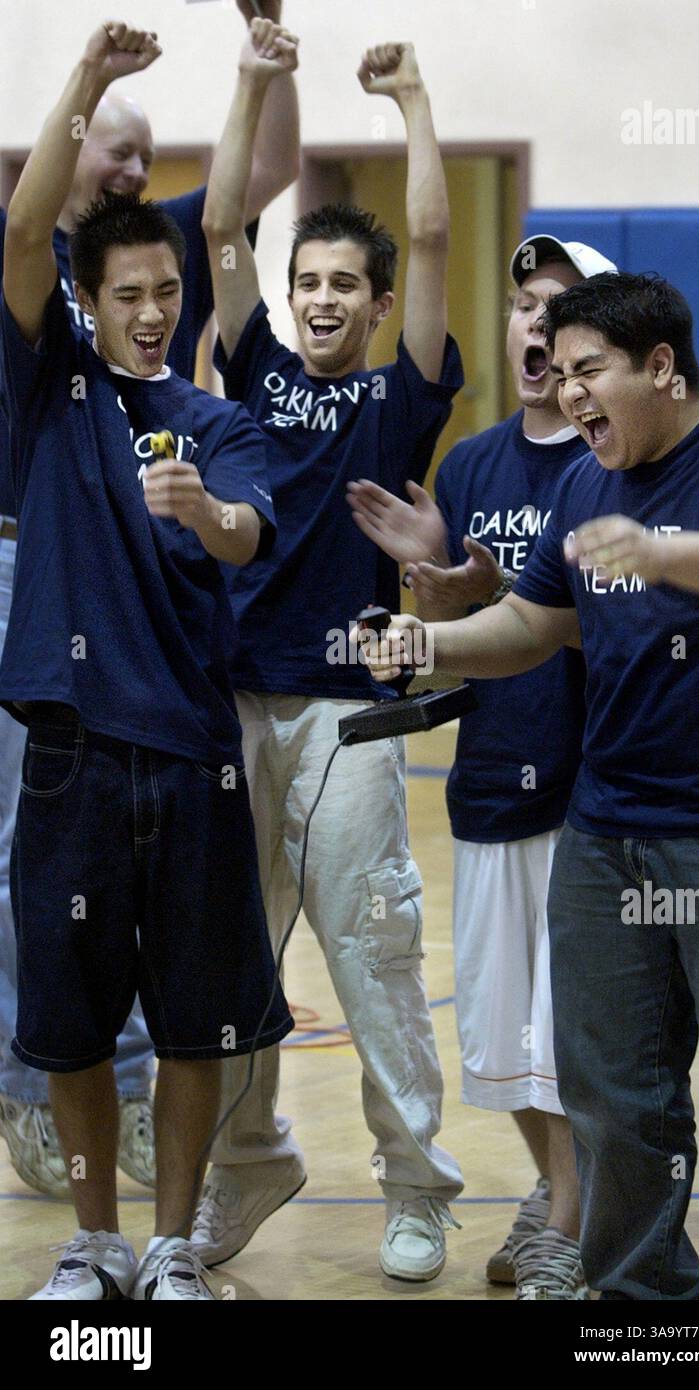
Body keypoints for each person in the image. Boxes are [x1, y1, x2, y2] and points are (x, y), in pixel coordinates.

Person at [361, 270, 699, 1300]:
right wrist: (430, 638)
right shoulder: (583, 482)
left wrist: (664, 551)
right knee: (615, 1096)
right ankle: (638, 1309)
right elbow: (535, 624)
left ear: (662, 367)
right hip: (607, 832)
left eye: (592, 370)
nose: (572, 393)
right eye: (563, 372)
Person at [1, 20, 292, 1301]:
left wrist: (206, 517)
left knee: (191, 1020)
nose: (151, 313)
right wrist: (91, 81)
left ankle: (170, 1246)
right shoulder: (46, 386)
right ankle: (95, 1241)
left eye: (167, 293)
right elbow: (23, 234)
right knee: (67, 1023)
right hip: (68, 755)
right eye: (126, 295)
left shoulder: (217, 421)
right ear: (91, 302)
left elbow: (244, 533)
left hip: (188, 759)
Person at [193, 17, 464, 1283]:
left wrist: (413, 101)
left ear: (375, 303)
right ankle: (250, 1164)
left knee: (371, 948)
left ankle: (417, 1185)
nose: (319, 300)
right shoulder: (255, 369)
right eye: (308, 281)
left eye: (344, 286)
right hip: (238, 703)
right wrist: (253, 77)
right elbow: (214, 231)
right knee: (234, 953)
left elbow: (433, 234)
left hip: (348, 713)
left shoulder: (397, 393)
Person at [347, 235, 616, 1299]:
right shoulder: (470, 463)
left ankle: (574, 1213)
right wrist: (444, 588)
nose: (535, 323)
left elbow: (599, 617)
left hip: (595, 784)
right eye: (521, 304)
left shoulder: (612, 459)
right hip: (491, 772)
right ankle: (561, 1192)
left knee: (578, 1029)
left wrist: (505, 599)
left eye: (560, 306)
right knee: (505, 1030)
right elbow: (457, 617)